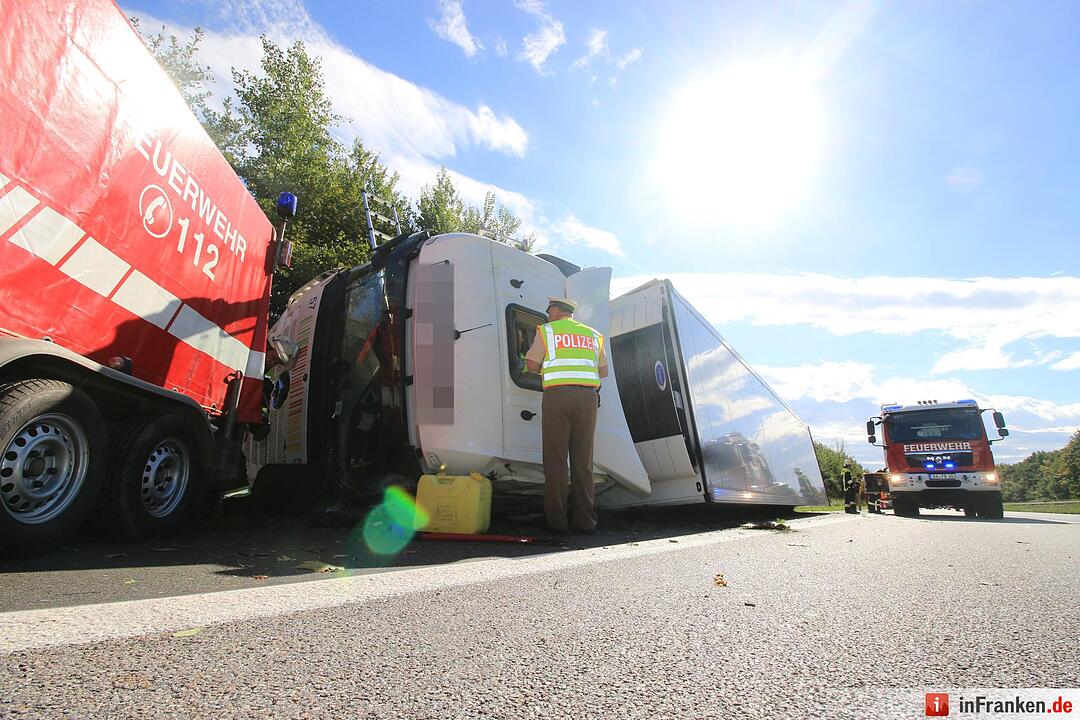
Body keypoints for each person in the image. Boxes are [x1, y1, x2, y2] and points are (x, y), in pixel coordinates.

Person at [524, 296, 608, 534]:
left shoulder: (547, 331)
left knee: (556, 461)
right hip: (588, 399)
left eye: (548, 311)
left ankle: (557, 523)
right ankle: (585, 522)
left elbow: (531, 364)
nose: (547, 315)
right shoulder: (594, 335)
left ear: (556, 311)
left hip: (558, 398)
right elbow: (603, 371)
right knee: (583, 462)